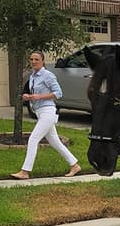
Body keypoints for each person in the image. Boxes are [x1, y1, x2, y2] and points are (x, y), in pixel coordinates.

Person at [10, 51, 81, 179]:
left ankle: (25, 171)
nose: (33, 61)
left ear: (42, 61)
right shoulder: (32, 76)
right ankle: (75, 165)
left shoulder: (48, 75)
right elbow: (32, 93)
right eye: (31, 59)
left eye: (36, 59)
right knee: (55, 142)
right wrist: (27, 96)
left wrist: (39, 96)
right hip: (40, 111)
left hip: (48, 111)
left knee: (33, 139)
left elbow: (58, 93)